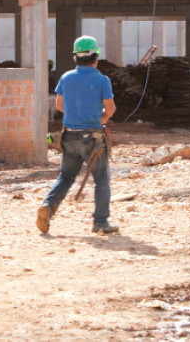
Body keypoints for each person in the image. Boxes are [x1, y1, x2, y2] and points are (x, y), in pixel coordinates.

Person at [37, 35, 117, 235]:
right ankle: (100, 222)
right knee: (101, 179)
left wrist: (77, 115)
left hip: (69, 137)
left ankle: (48, 206)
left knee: (65, 177)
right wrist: (101, 118)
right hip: (94, 139)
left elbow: (59, 105)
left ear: (76, 57)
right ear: (95, 57)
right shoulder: (102, 80)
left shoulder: (66, 77)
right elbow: (111, 109)